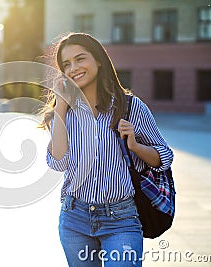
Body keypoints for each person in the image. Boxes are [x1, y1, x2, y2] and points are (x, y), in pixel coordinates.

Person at [40, 33, 173, 267]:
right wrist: (60, 106)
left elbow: (164, 157)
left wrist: (135, 146)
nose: (74, 68)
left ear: (99, 60)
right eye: (67, 64)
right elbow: (57, 163)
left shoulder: (131, 106)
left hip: (121, 219)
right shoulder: (65, 115)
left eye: (81, 59)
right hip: (75, 219)